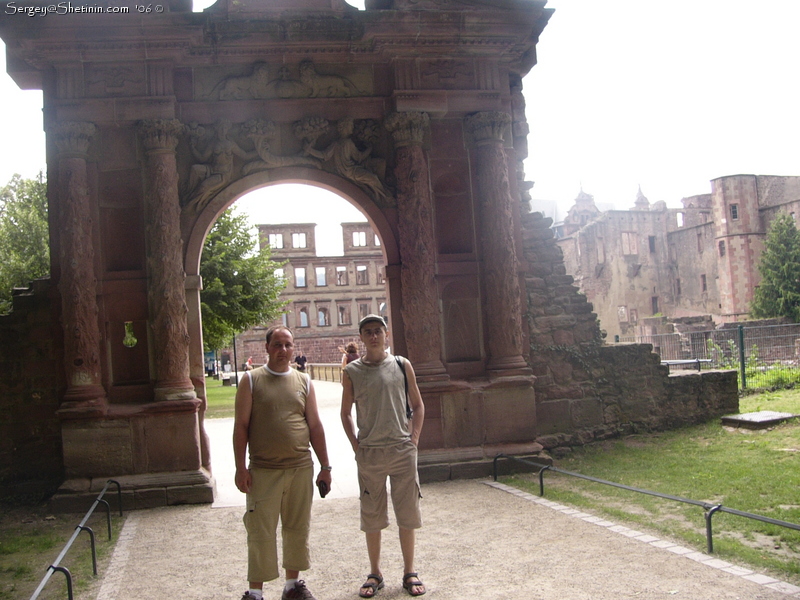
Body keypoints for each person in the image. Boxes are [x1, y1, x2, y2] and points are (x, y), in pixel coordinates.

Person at [234, 326, 332, 600]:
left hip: (300, 467)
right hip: (264, 470)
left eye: (288, 345)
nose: (283, 350)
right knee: (260, 530)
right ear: (266, 348)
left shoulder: (304, 381)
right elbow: (241, 426)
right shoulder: (251, 380)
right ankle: (255, 591)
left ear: (294, 348)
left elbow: (315, 426)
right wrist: (240, 467)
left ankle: (292, 585)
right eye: (277, 344)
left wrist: (326, 466)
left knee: (297, 527)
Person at [340, 315, 426, 598]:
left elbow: (418, 404)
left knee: (407, 514)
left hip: (402, 449)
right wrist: (356, 446)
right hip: (371, 453)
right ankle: (375, 572)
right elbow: (345, 413)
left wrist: (413, 440)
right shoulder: (352, 370)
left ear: (386, 335)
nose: (373, 336)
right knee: (372, 516)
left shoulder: (402, 365)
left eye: (378, 331)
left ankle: (409, 571)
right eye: (368, 332)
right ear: (362, 338)